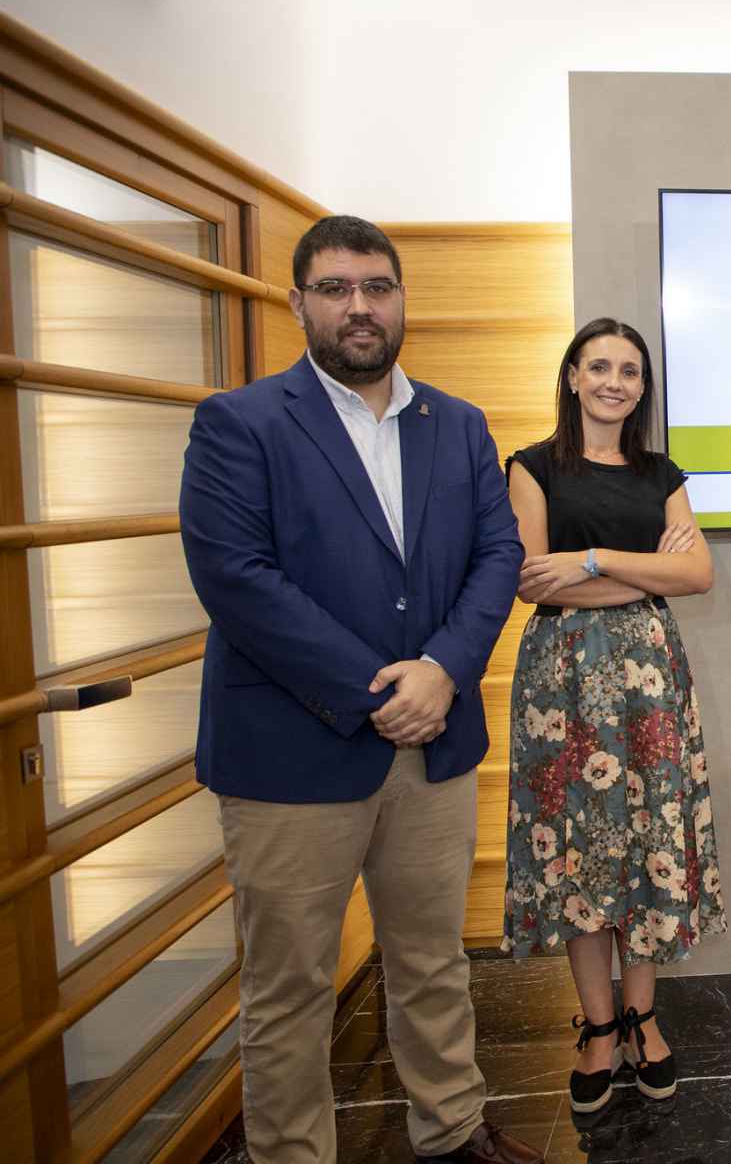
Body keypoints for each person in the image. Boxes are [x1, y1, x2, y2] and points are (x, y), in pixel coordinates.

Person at [179, 216, 535, 1163]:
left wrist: (446, 670)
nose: (360, 307)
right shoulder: (241, 423)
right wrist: (380, 690)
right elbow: (236, 578)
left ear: (401, 298)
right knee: (289, 986)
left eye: (377, 286)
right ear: (299, 303)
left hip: (434, 746)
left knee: (432, 960)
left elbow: (498, 554)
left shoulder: (455, 423)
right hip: (294, 754)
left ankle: (452, 1131)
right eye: (335, 289)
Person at [501, 317, 725, 1113]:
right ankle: (599, 1029)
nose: (613, 382)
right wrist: (647, 574)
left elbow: (696, 573)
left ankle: (643, 1018)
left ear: (642, 388)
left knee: (648, 838)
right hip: (561, 684)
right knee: (580, 850)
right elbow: (535, 582)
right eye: (598, 366)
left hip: (650, 680)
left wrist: (594, 561)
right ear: (571, 377)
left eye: (629, 371)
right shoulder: (532, 467)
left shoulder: (661, 471)